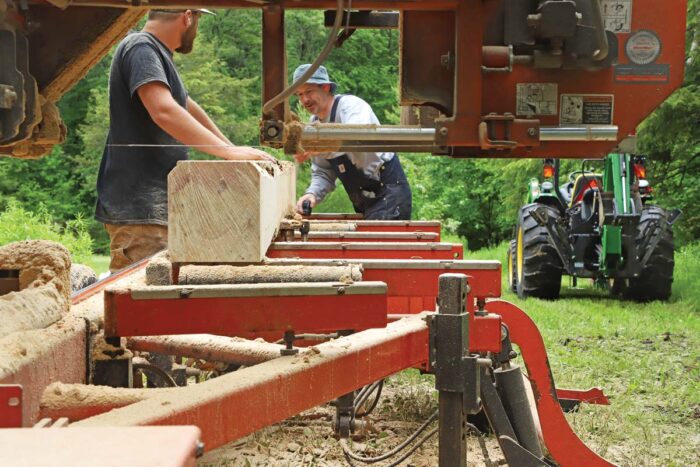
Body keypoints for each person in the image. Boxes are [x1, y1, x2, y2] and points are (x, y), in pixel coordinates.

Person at [95, 9, 274, 273]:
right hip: (141, 214)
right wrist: (226, 152)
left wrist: (231, 149)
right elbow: (164, 110)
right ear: (187, 17)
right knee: (145, 307)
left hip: (155, 211)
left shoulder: (154, 53)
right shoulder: (141, 47)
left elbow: (185, 107)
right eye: (198, 21)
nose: (196, 29)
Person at [293, 64, 412, 220]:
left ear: (327, 87)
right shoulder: (314, 124)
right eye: (299, 94)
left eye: (309, 91)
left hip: (390, 194)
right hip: (365, 203)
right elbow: (323, 172)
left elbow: (357, 138)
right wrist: (312, 194)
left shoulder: (351, 107)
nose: (305, 100)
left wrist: (318, 148)